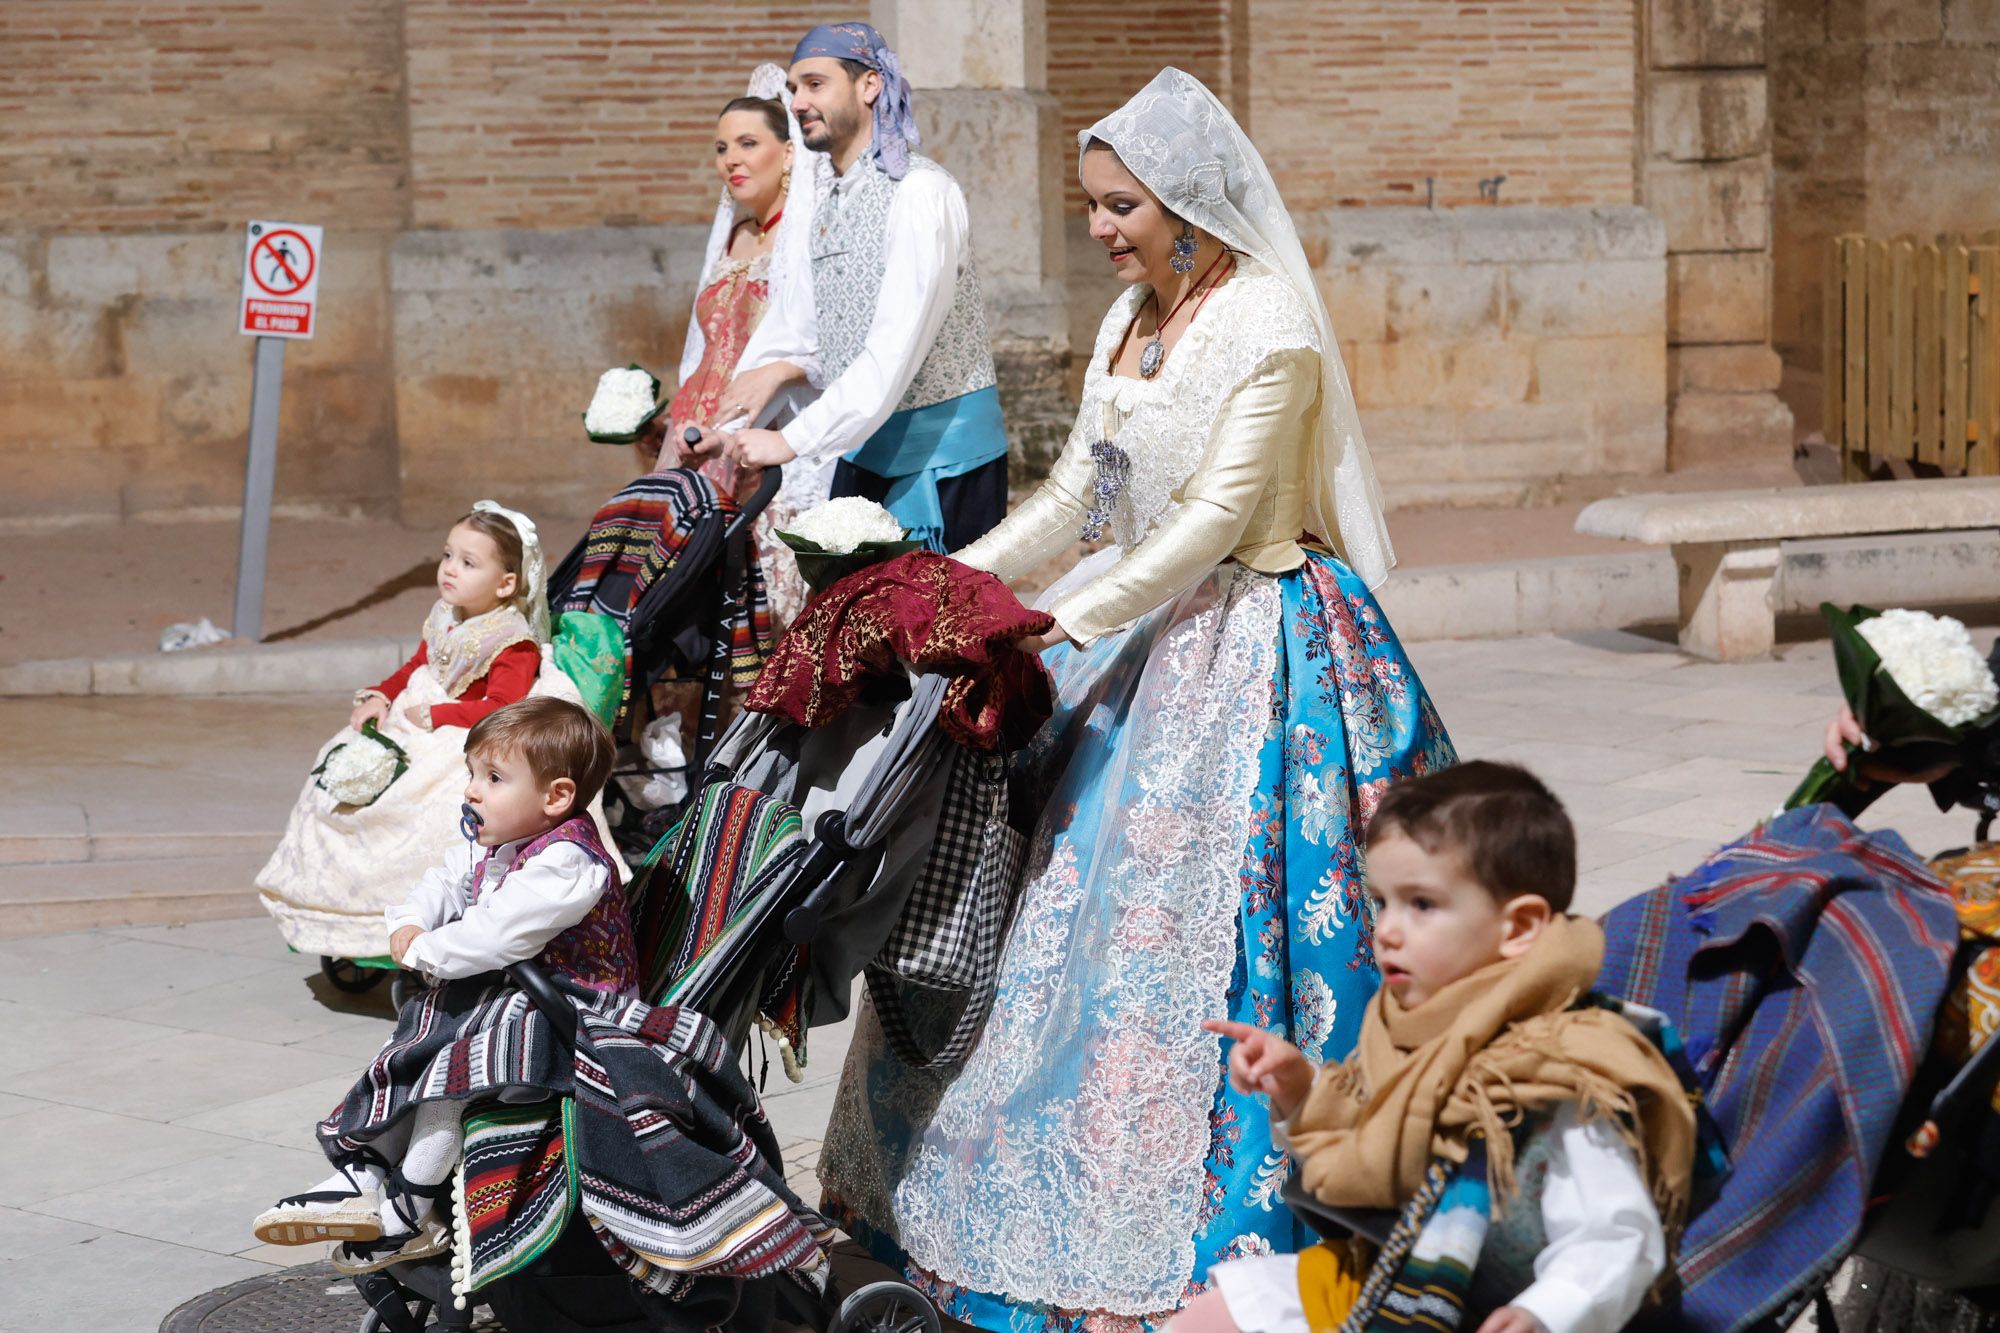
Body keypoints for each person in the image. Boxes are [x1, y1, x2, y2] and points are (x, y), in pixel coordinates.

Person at [814, 69, 1456, 1329]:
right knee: (1017, 901)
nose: (1099, 229)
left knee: (1181, 931)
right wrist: (937, 586)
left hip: (1249, 638)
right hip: (1128, 620)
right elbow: (1076, 501)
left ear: (1185, 204)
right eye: (1094, 207)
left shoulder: (1263, 321)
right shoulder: (1128, 319)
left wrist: (1062, 618)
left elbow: (1219, 517)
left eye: (1119, 207)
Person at [1178, 762, 1697, 1333]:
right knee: (1210, 1317)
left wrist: (1546, 1311)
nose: (1388, 931)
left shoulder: (1558, 1067)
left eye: (1421, 904)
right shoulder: (1409, 1025)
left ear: (1519, 926)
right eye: (1382, 902)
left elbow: (1616, 1235)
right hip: (1395, 1268)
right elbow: (1372, 1153)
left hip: (1486, 1304)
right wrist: (1300, 1090)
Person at [252, 697, 634, 1272]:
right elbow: (446, 877)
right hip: (527, 997)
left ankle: (409, 1206)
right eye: (473, 774)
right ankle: (360, 1171)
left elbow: (493, 938)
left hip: (577, 1018)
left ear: (556, 797)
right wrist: (410, 922)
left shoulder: (567, 864)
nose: (472, 791)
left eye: (494, 778)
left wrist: (426, 953)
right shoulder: (508, 840)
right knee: (416, 1043)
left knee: (450, 1072)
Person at [255, 502, 621, 962]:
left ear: (507, 583)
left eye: (468, 563)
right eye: (447, 555)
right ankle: (345, 906)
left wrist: (441, 714)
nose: (449, 569)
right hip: (420, 710)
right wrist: (382, 696)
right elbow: (417, 665)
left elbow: (502, 707)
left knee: (416, 806)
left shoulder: (511, 640)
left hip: (467, 728)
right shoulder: (447, 615)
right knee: (339, 779)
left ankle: (408, 924)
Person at [707, 20, 1010, 553]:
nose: (799, 101)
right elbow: (797, 330)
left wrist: (789, 440)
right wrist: (726, 432)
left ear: (869, 85)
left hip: (942, 469)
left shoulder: (921, 194)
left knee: (938, 634)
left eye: (816, 84)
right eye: (795, 87)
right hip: (861, 460)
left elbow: (892, 351)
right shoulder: (827, 204)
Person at [637, 64, 827, 625]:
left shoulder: (809, 236)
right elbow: (706, 347)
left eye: (749, 143)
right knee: (674, 597)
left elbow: (829, 341)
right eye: (723, 148)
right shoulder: (734, 235)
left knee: (758, 601)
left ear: (789, 152)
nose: (731, 160)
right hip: (695, 433)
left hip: (761, 434)